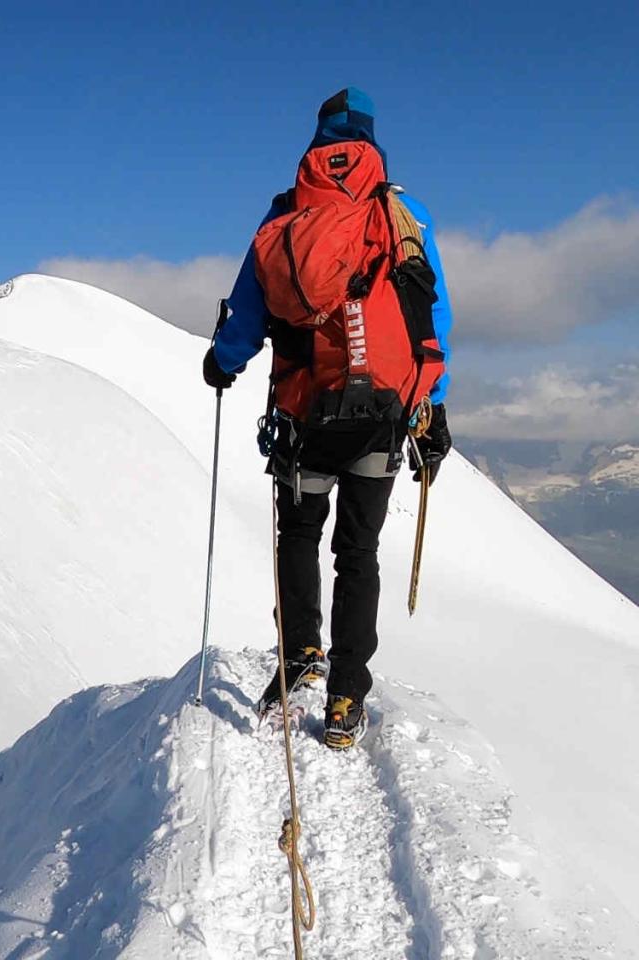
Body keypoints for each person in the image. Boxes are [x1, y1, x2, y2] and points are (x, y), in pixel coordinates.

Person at [203, 88, 454, 749]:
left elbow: (248, 314)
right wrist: (434, 401)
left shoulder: (285, 212)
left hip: (304, 410)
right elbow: (432, 317)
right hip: (382, 411)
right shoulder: (404, 213)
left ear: (316, 142)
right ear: (371, 139)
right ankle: (345, 698)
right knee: (360, 552)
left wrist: (221, 364)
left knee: (298, 535)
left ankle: (299, 658)